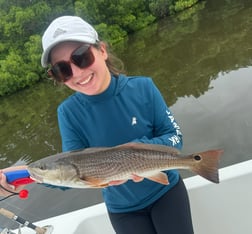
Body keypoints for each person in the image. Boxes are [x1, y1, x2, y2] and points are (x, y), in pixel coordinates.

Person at [0, 16, 194, 234]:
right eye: (62, 69)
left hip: (166, 193)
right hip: (123, 211)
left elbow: (174, 138)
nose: (77, 73)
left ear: (102, 50)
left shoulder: (143, 87)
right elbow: (70, 174)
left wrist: (137, 153)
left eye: (81, 57)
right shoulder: (68, 113)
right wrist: (24, 175)